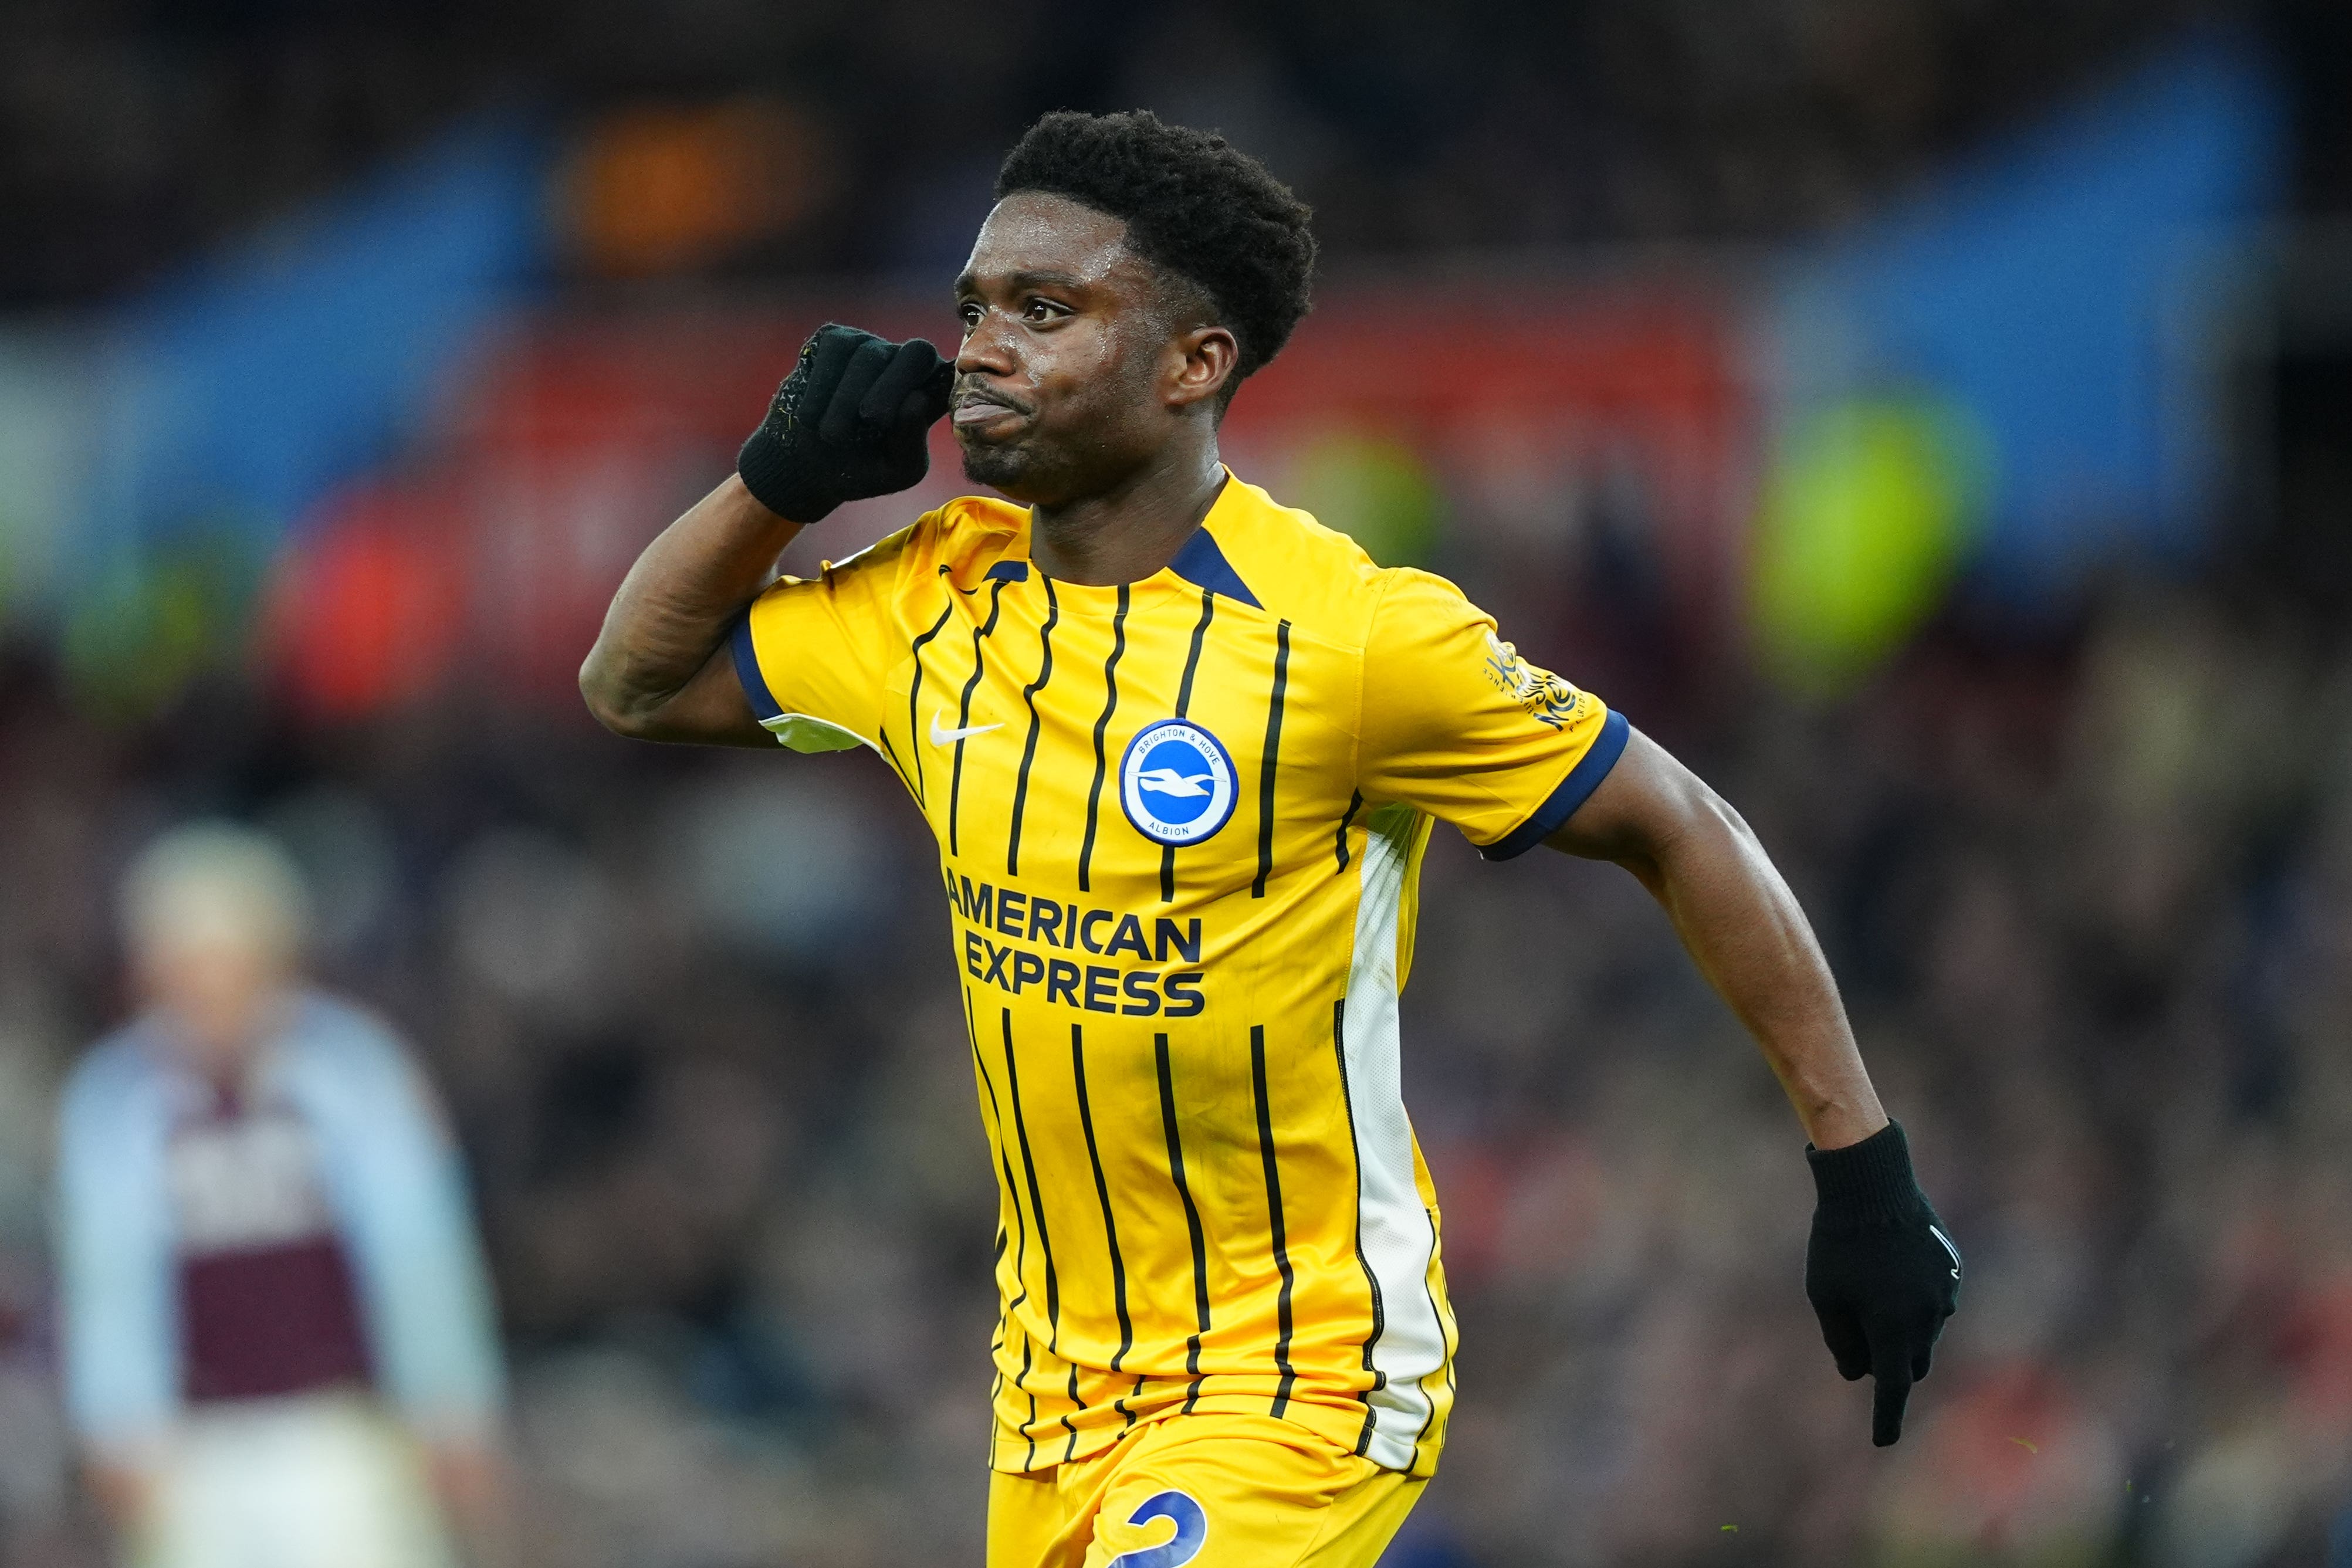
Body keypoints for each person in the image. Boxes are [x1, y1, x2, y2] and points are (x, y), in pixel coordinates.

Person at [581, 110, 1962, 1567]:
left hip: (1298, 1372)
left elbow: (1682, 825)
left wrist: (1859, 1170)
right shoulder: (927, 597)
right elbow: (635, 680)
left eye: (1045, 312)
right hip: (1046, 1398)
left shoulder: (1354, 638)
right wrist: (775, 485)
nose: (982, 347)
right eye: (973, 308)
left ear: (1193, 362)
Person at [54, 824, 509, 1568]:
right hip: (193, 1446)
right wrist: (116, 1422)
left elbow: (418, 1251)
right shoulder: (115, 1099)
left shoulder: (355, 1072)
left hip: (341, 1430)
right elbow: (107, 1276)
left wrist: (449, 1400)